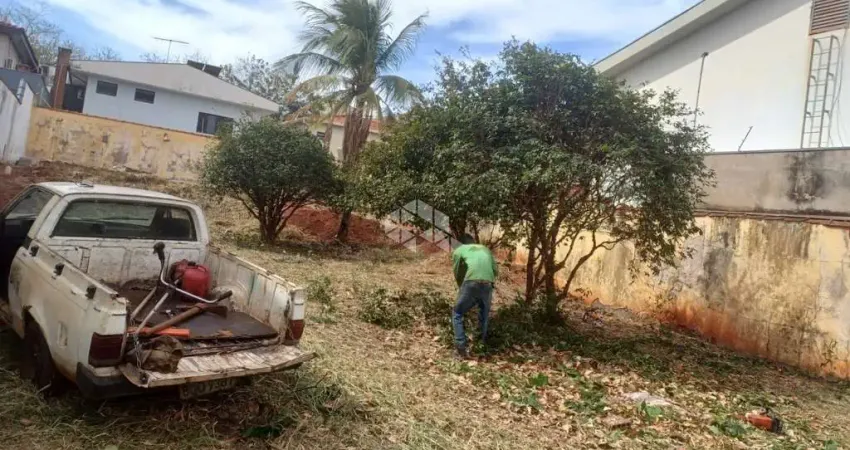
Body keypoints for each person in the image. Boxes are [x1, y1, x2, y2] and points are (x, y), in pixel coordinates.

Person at [451, 233, 498, 359]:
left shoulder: (459, 250)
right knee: (484, 315)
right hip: (488, 283)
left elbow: (457, 271)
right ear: (473, 241)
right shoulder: (485, 249)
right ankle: (480, 347)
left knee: (457, 313)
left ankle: (461, 348)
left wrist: (462, 286)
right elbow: (495, 270)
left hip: (470, 282)